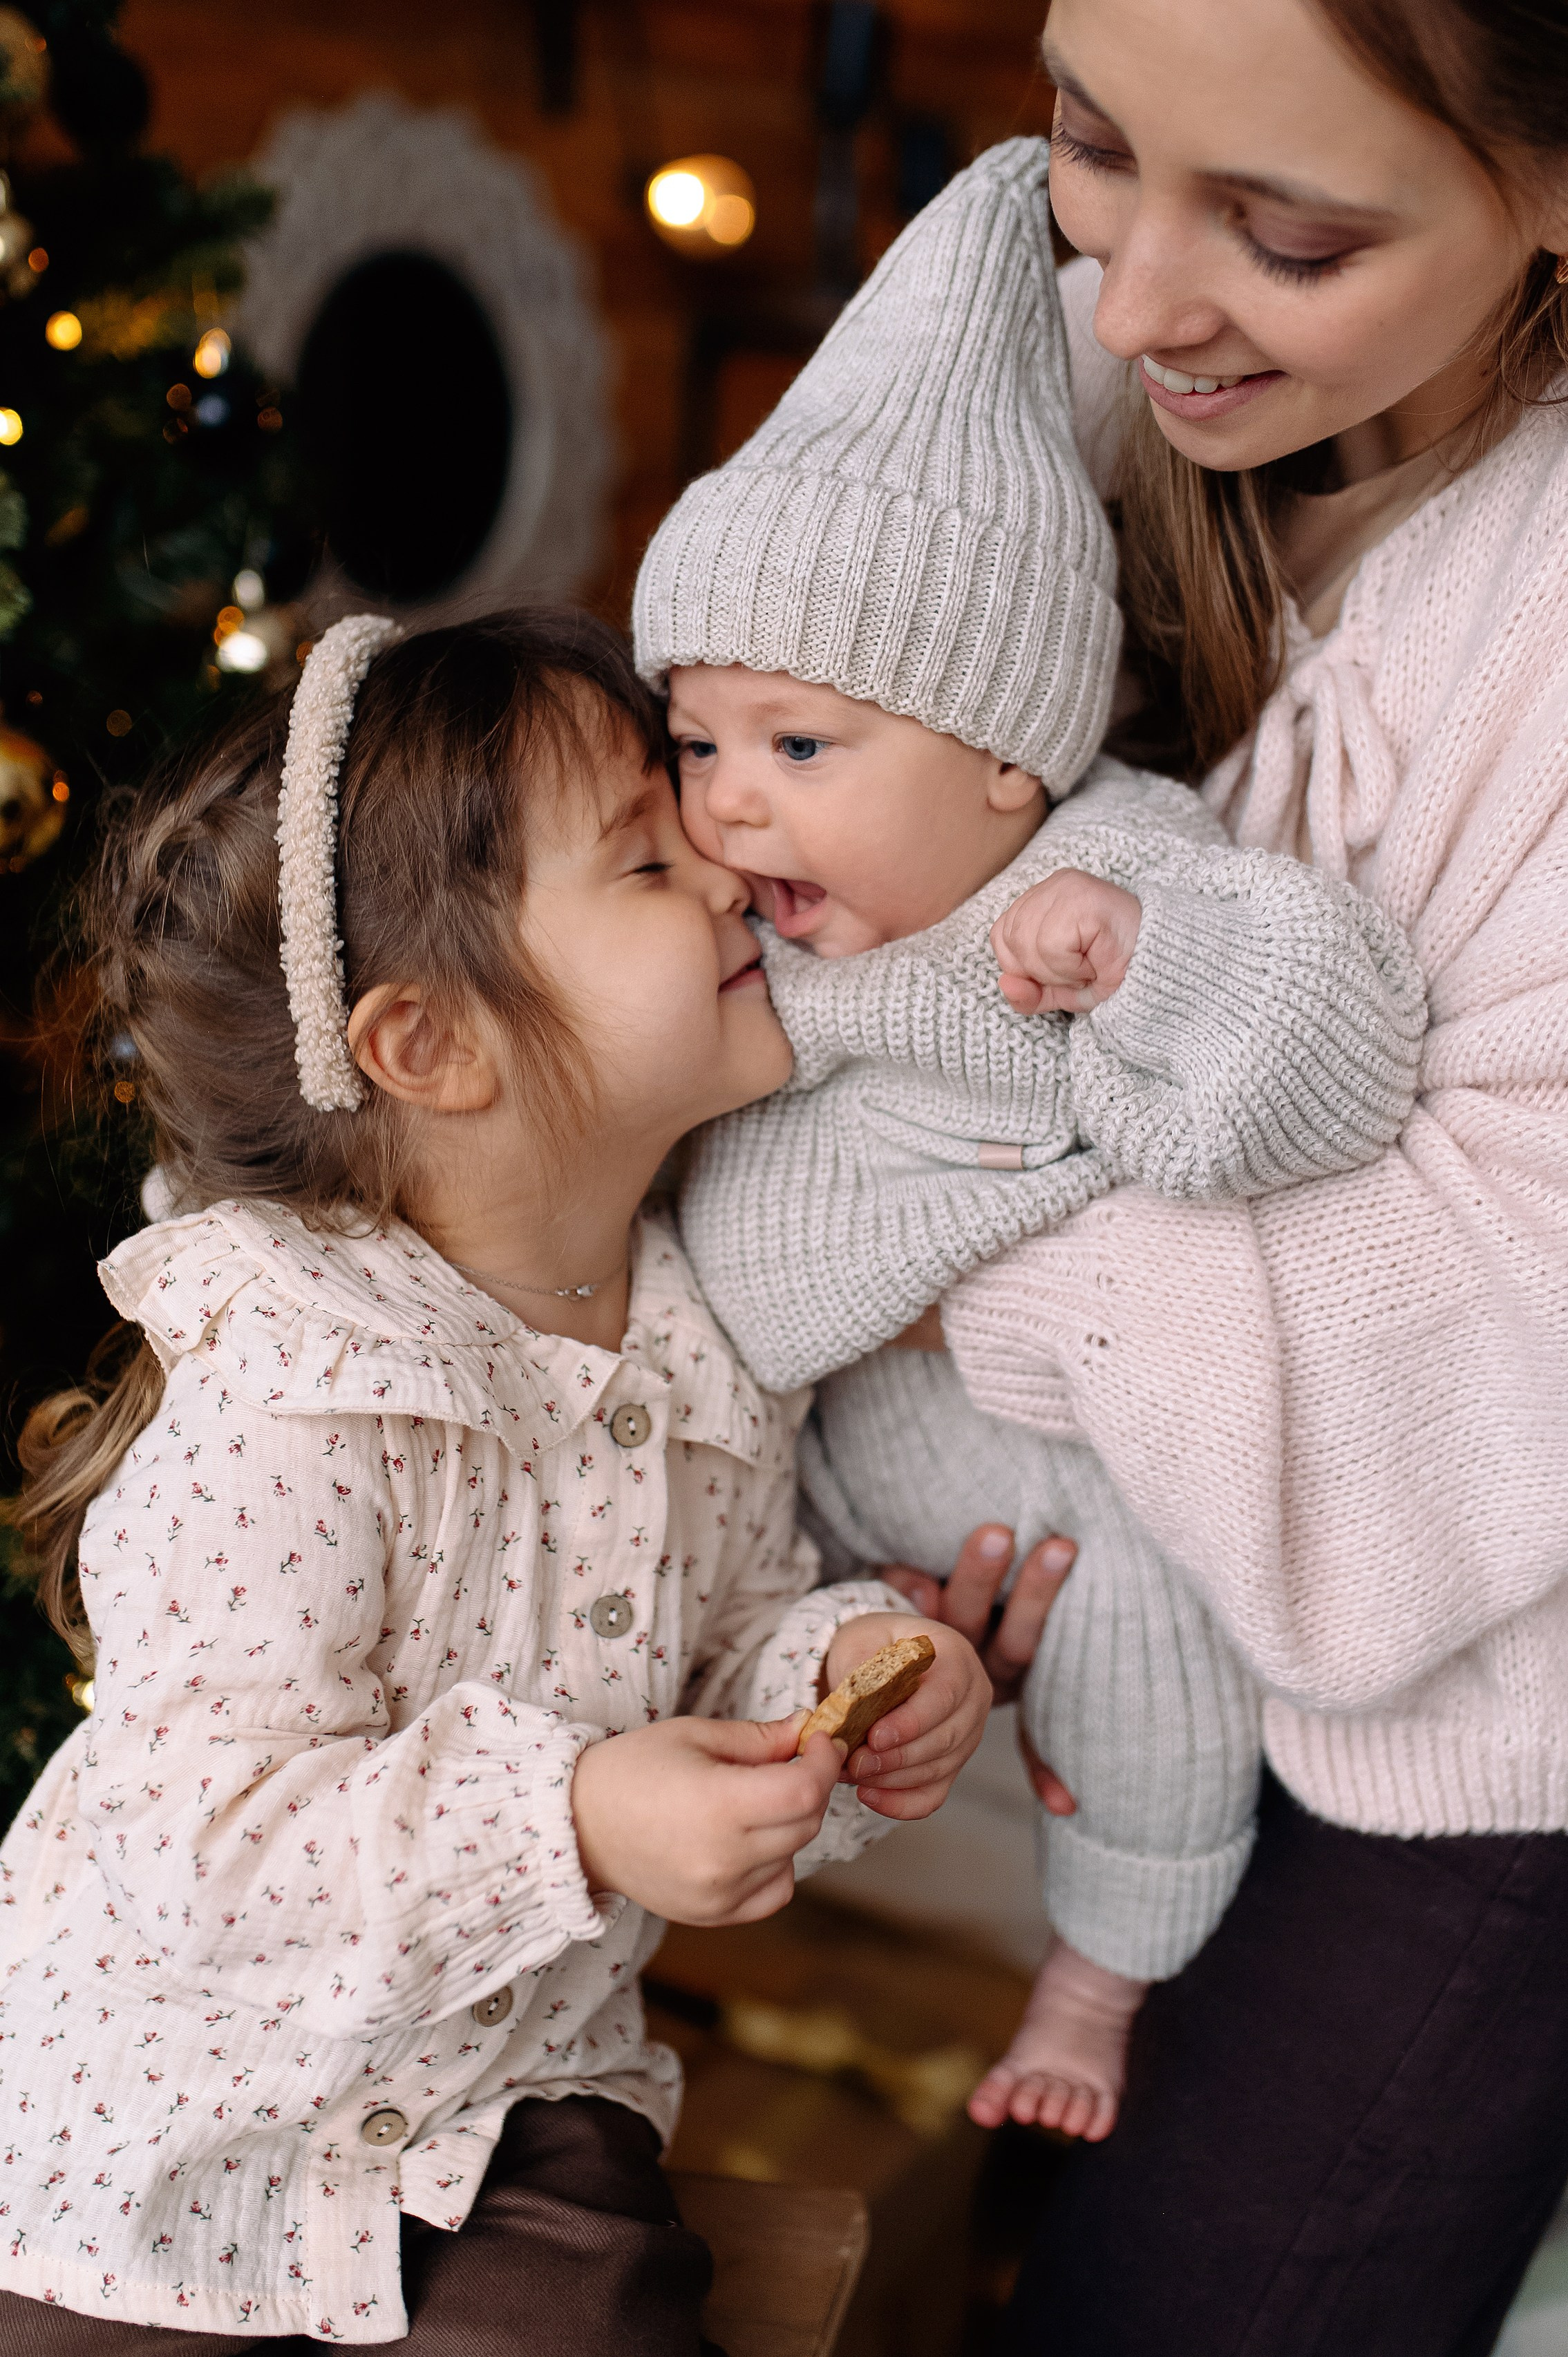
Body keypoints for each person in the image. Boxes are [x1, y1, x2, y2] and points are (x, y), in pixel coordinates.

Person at [0, 610, 991, 2352]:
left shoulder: (699, 1338)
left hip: (510, 2109)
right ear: (431, 1047)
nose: (729, 870)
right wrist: (579, 1812)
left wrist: (834, 1685)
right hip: (160, 2137)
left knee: (609, 2314)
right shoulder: (294, 1382)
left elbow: (736, 1620)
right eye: (642, 853)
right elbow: (207, 1849)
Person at [889, 0, 1568, 2347]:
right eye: (1089, 141)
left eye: (1283, 233)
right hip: (1169, 1621)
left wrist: (948, 1285)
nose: (1143, 294)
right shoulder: (1086, 374)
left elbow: (1527, 1319)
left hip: (1488, 1759)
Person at [632, 142, 1426, 2145]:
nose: (730, 804)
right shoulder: (741, 931)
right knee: (764, 1683)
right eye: (698, 739)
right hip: (823, 1464)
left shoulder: (1098, 870)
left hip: (1071, 1484)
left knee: (1144, 1676)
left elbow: (1325, 1062)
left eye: (798, 749)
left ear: (1004, 755)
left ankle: (1098, 1972)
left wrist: (1149, 969)